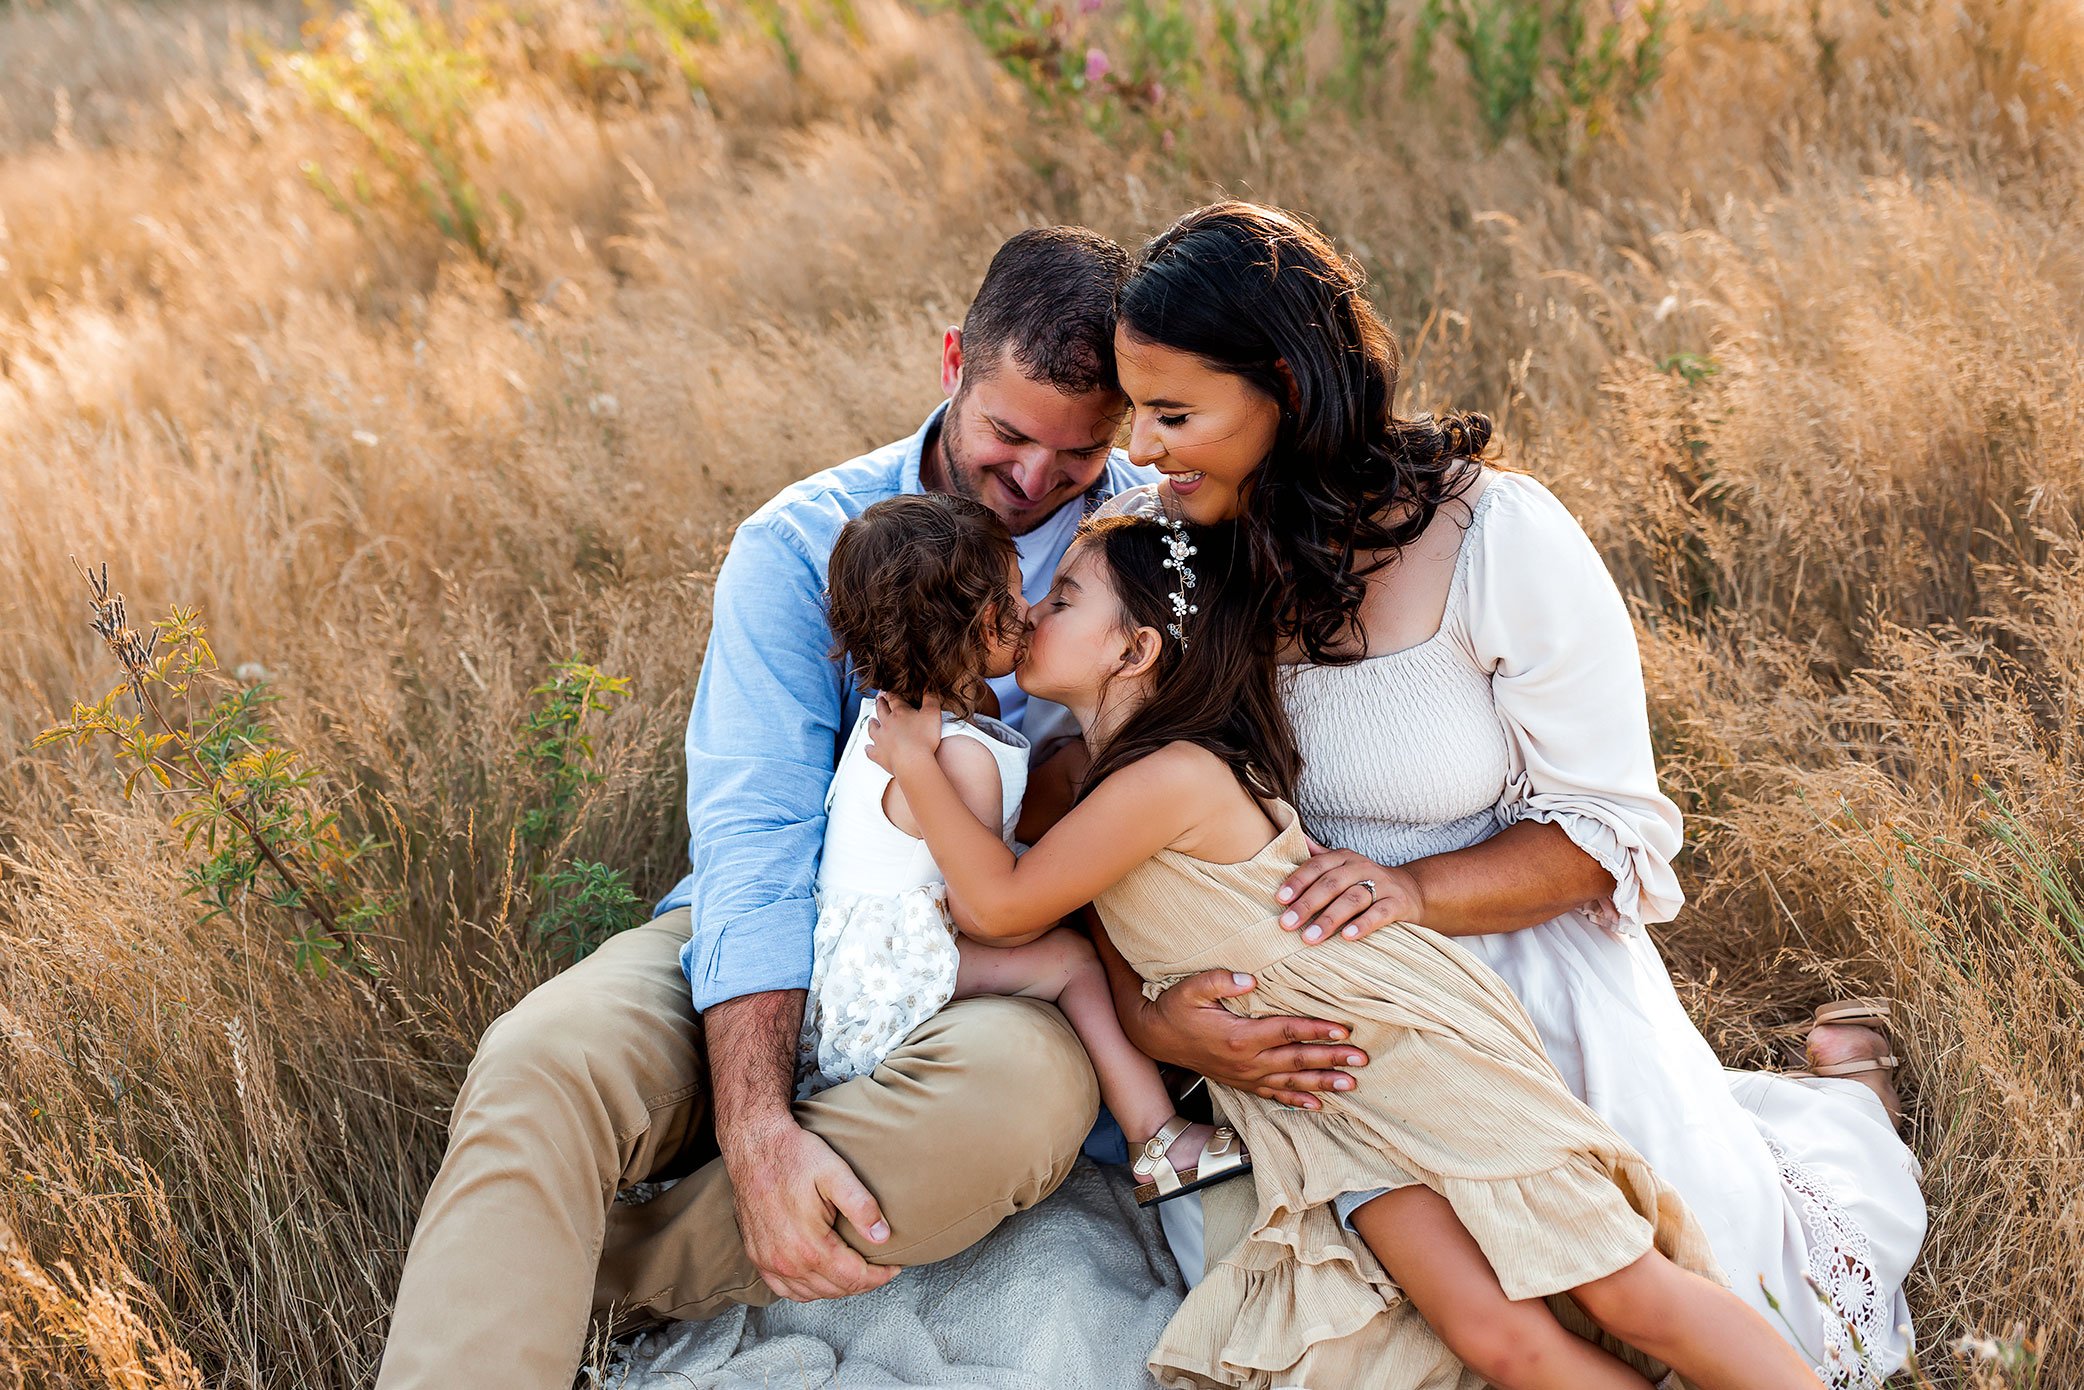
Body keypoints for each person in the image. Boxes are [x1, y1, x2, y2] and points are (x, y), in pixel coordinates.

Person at [376, 224, 1358, 1389]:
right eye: (1006, 433)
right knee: (543, 1056)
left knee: (1019, 1103)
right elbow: (756, 842)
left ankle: (592, 1266)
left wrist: (1151, 1016)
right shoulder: (800, 543)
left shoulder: (1152, 546)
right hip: (789, 919)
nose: (1035, 480)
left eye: (1079, 452)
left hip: (992, 961)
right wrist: (752, 1123)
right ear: (953, 359)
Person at [1096, 200, 1927, 1388]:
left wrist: (1409, 888)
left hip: (1518, 955)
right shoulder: (1183, 557)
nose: (1146, 445)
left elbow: (1608, 835)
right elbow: (1110, 834)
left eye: (1174, 413)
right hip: (1338, 1005)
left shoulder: (1496, 537)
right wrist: (1152, 1020)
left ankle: (1849, 1098)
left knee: (1726, 1289)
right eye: (1136, 410)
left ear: (1283, 386)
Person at [867, 512, 1826, 1390]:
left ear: (1137, 647)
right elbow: (1055, 901)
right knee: (1491, 1335)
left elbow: (998, 906)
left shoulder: (1172, 775)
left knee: (1624, 1290)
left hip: (1398, 1040)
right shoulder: (1082, 776)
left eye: (1062, 598)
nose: (1031, 611)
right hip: (1318, 1103)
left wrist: (914, 756)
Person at [799, 493, 1243, 1198]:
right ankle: (1157, 1138)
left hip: (869, 952)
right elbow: (984, 908)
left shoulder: (932, 722)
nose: (1031, 610)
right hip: (881, 971)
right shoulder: (948, 755)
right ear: (978, 625)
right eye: (1015, 597)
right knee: (1069, 960)